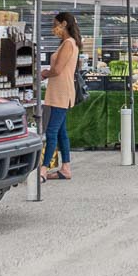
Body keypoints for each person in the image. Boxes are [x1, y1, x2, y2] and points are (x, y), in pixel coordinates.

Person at [41, 12, 82, 181]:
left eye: (55, 24)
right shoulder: (69, 43)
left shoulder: (68, 44)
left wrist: (44, 73)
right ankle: (65, 167)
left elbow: (57, 70)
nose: (53, 28)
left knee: (51, 131)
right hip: (60, 91)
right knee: (61, 132)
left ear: (64, 24)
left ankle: (43, 169)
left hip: (61, 92)